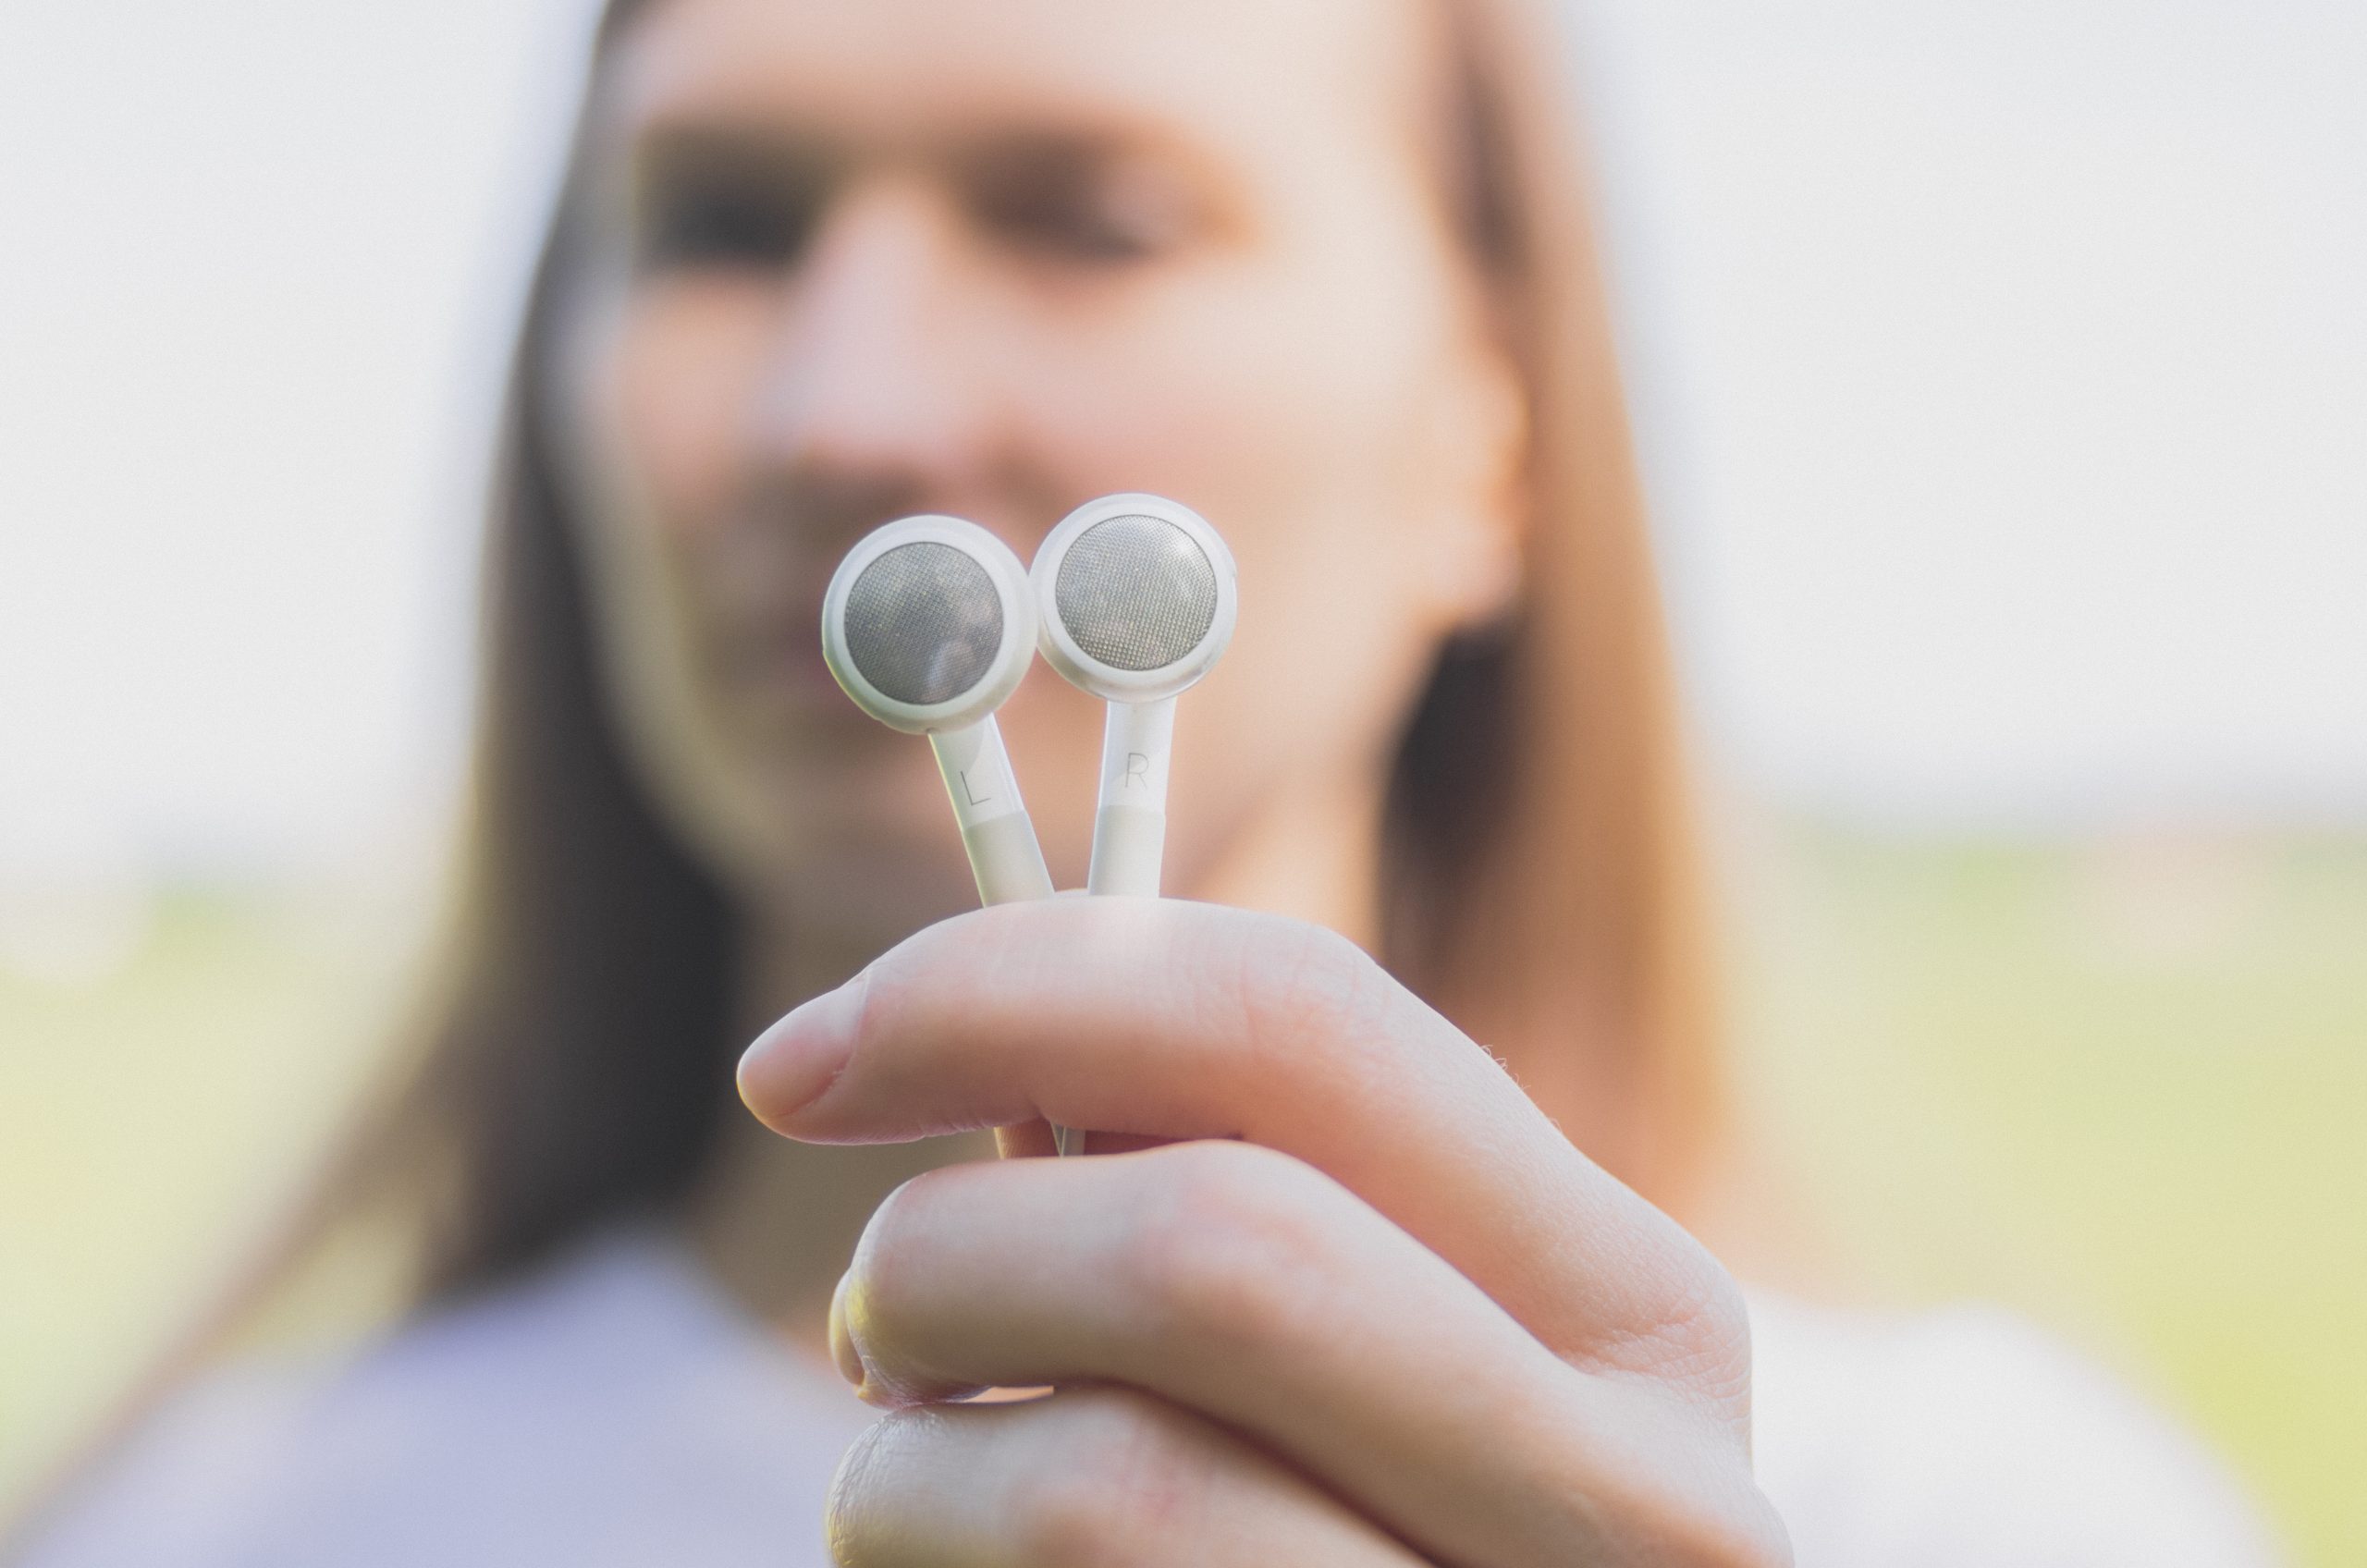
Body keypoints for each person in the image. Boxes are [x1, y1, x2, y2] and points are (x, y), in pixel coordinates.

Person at [13, 0, 2280, 1563]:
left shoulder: (1976, 1513)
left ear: (1482, 440)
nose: (844, 412)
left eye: (1088, 216)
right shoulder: (214, 1526)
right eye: (718, 223)